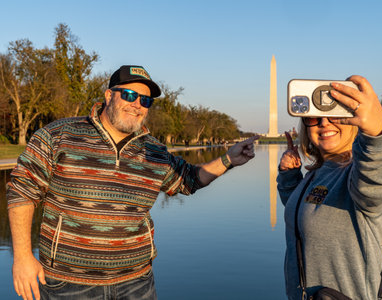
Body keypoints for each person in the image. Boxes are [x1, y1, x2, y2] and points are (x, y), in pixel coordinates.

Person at [7, 65, 259, 300]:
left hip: (136, 283)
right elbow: (21, 191)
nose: (137, 104)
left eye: (145, 100)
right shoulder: (58, 135)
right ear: (109, 96)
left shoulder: (154, 151)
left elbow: (189, 180)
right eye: (129, 95)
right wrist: (22, 257)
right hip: (68, 285)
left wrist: (228, 159)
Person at [277, 75, 382, 300]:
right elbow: (308, 212)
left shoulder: (358, 175)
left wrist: (377, 132)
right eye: (314, 117)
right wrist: (289, 178)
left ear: (353, 120)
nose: (324, 123)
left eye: (335, 115)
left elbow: (375, 179)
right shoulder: (317, 174)